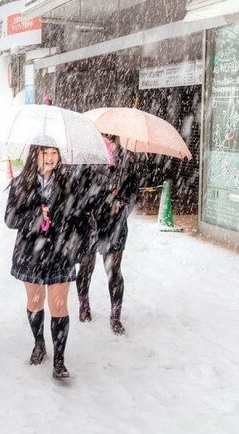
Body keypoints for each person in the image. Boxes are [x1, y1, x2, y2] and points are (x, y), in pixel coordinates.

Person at [5, 145, 86, 379]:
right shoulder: (21, 183)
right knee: (35, 300)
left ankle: (59, 361)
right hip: (31, 253)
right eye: (45, 153)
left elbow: (79, 216)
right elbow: (10, 219)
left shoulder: (69, 182)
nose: (50, 158)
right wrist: (35, 216)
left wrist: (61, 218)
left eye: (54, 153)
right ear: (35, 155)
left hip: (61, 252)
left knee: (59, 305)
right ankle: (39, 343)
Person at [76, 136, 139, 334]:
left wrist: (121, 200)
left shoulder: (127, 161)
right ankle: (84, 305)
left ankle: (115, 315)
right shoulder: (87, 160)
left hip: (115, 225)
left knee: (114, 270)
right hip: (91, 223)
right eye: (103, 136)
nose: (107, 140)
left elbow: (134, 192)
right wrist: (98, 199)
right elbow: (78, 191)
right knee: (86, 267)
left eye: (110, 137)